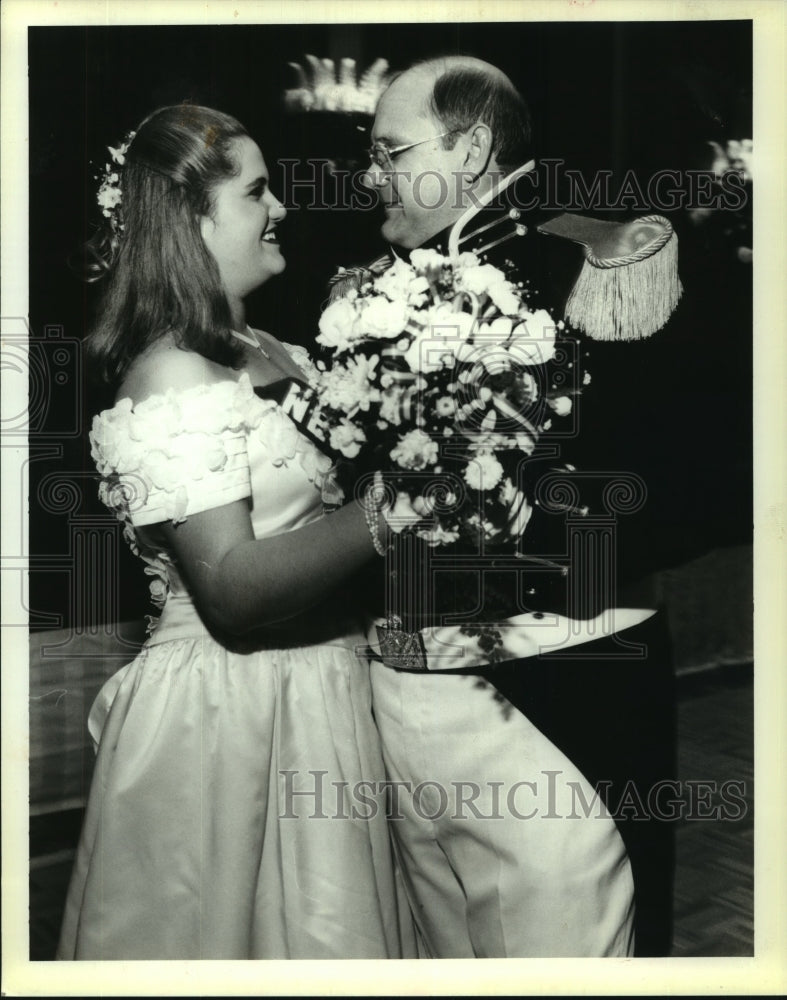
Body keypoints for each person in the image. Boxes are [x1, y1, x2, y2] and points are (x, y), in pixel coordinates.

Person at [336, 55, 687, 957]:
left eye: (390, 150)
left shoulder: (591, 253)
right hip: (405, 700)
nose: (369, 175)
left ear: (473, 146)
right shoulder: (370, 287)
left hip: (550, 697)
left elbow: (678, 478)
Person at [56, 104, 420, 960]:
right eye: (257, 192)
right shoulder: (171, 372)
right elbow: (230, 588)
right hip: (229, 710)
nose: (280, 208)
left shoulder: (272, 351)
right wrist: (393, 511)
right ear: (190, 218)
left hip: (322, 689)